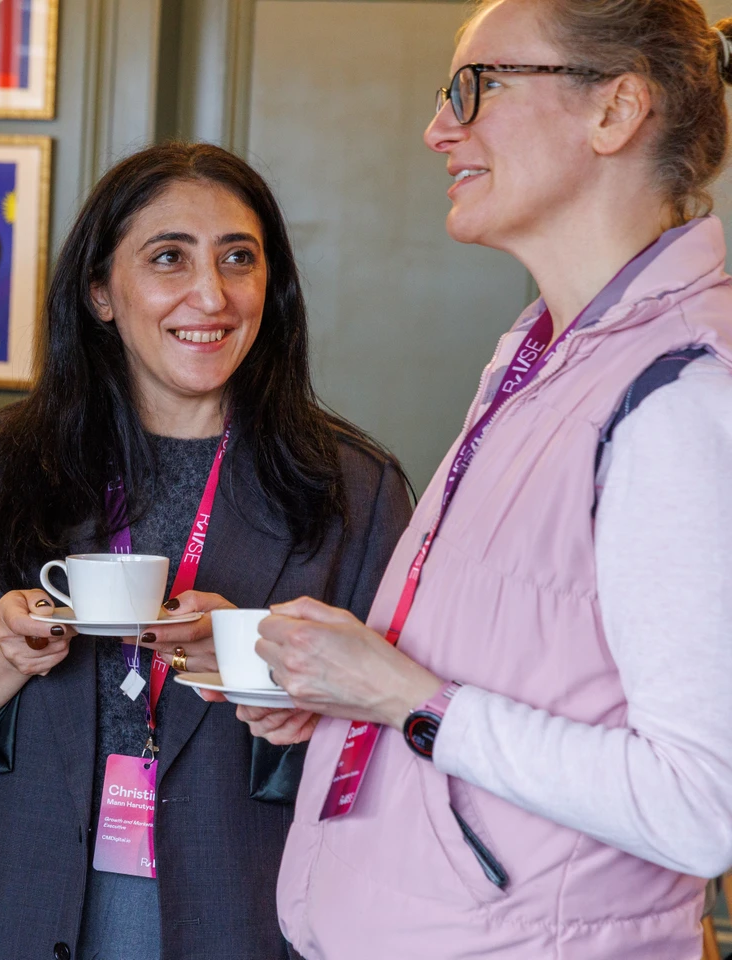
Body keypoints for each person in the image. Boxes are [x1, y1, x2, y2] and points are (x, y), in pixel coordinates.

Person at [249, 3, 732, 957]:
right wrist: (353, 690)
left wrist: (408, 700)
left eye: (478, 86)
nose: (438, 127)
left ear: (616, 111)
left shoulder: (677, 396)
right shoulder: (544, 353)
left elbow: (697, 806)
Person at [0, 142, 413, 960]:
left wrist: (272, 679)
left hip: (246, 925)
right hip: (6, 924)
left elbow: (405, 758)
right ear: (100, 294)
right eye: (168, 258)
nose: (211, 295)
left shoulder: (353, 492)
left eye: (238, 259)